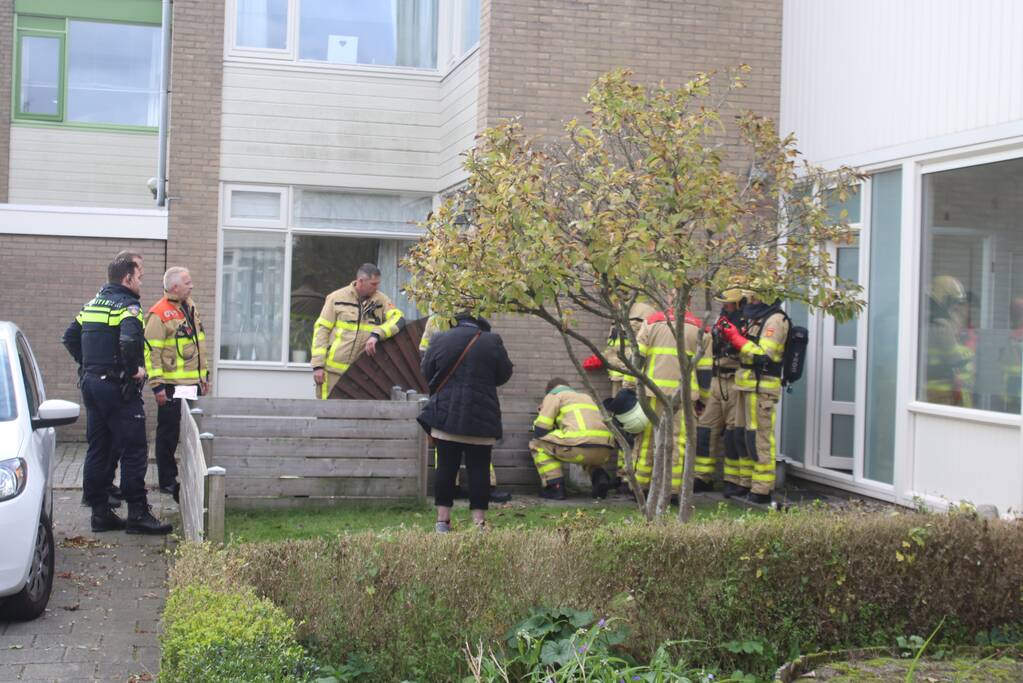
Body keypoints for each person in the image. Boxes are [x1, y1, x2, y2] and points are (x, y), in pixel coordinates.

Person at [62, 255, 172, 534]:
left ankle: (100, 514)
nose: (141, 282)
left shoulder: (93, 303)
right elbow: (129, 339)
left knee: (99, 447)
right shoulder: (128, 305)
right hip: (116, 388)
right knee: (134, 450)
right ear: (127, 278)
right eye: (140, 276)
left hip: (91, 385)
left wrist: (88, 365)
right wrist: (133, 368)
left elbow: (70, 337)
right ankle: (138, 514)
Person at [418, 313, 513, 532]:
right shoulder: (492, 340)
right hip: (482, 416)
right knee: (479, 469)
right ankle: (479, 523)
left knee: (446, 468)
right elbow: (505, 374)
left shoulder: (440, 338)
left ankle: (442, 521)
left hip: (447, 415)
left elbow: (426, 371)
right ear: (480, 324)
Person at [715, 289, 790, 505]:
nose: (750, 300)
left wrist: (736, 338)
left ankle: (762, 489)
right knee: (741, 436)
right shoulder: (756, 318)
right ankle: (745, 482)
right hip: (744, 384)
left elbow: (763, 355)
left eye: (755, 296)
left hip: (761, 387)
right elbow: (741, 351)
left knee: (760, 439)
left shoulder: (775, 320)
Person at [144, 267, 209, 499]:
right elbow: (151, 354)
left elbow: (199, 343)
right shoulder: (158, 314)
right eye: (187, 283)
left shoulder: (190, 307)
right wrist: (157, 385)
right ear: (174, 287)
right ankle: (167, 480)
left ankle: (190, 476)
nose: (191, 286)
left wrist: (204, 376)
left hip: (192, 383)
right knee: (168, 434)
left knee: (191, 433)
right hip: (171, 386)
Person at [628, 306, 701, 494]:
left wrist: (629, 386)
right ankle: (673, 489)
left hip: (652, 392)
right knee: (677, 441)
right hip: (683, 397)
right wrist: (704, 400)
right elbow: (706, 370)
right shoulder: (699, 329)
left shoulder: (651, 323)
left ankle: (641, 487)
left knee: (647, 439)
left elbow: (637, 358)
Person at [311, 263, 405, 399]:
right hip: (332, 373)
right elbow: (321, 330)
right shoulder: (336, 298)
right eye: (373, 284)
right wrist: (318, 366)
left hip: (361, 377)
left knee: (356, 416)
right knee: (328, 415)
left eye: (378, 284)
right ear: (361, 281)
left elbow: (399, 319)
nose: (377, 287)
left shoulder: (381, 301)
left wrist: (377, 334)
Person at [530, 378, 616, 500]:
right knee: (589, 453)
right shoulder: (586, 397)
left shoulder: (554, 395)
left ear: (549, 390)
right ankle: (600, 478)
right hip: (604, 451)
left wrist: (542, 411)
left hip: (578, 447)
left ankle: (555, 487)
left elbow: (540, 430)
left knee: (537, 444)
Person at [694, 289, 745, 495]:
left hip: (735, 380)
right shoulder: (721, 318)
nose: (726, 306)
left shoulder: (744, 321)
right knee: (705, 428)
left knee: (733, 433)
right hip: (717, 380)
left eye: (729, 303)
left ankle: (732, 479)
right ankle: (702, 477)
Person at [924, 276, 975, 408]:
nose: (954, 306)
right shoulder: (941, 324)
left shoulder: (925, 319)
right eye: (953, 301)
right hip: (942, 391)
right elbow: (955, 358)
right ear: (944, 299)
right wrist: (969, 352)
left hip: (930, 388)